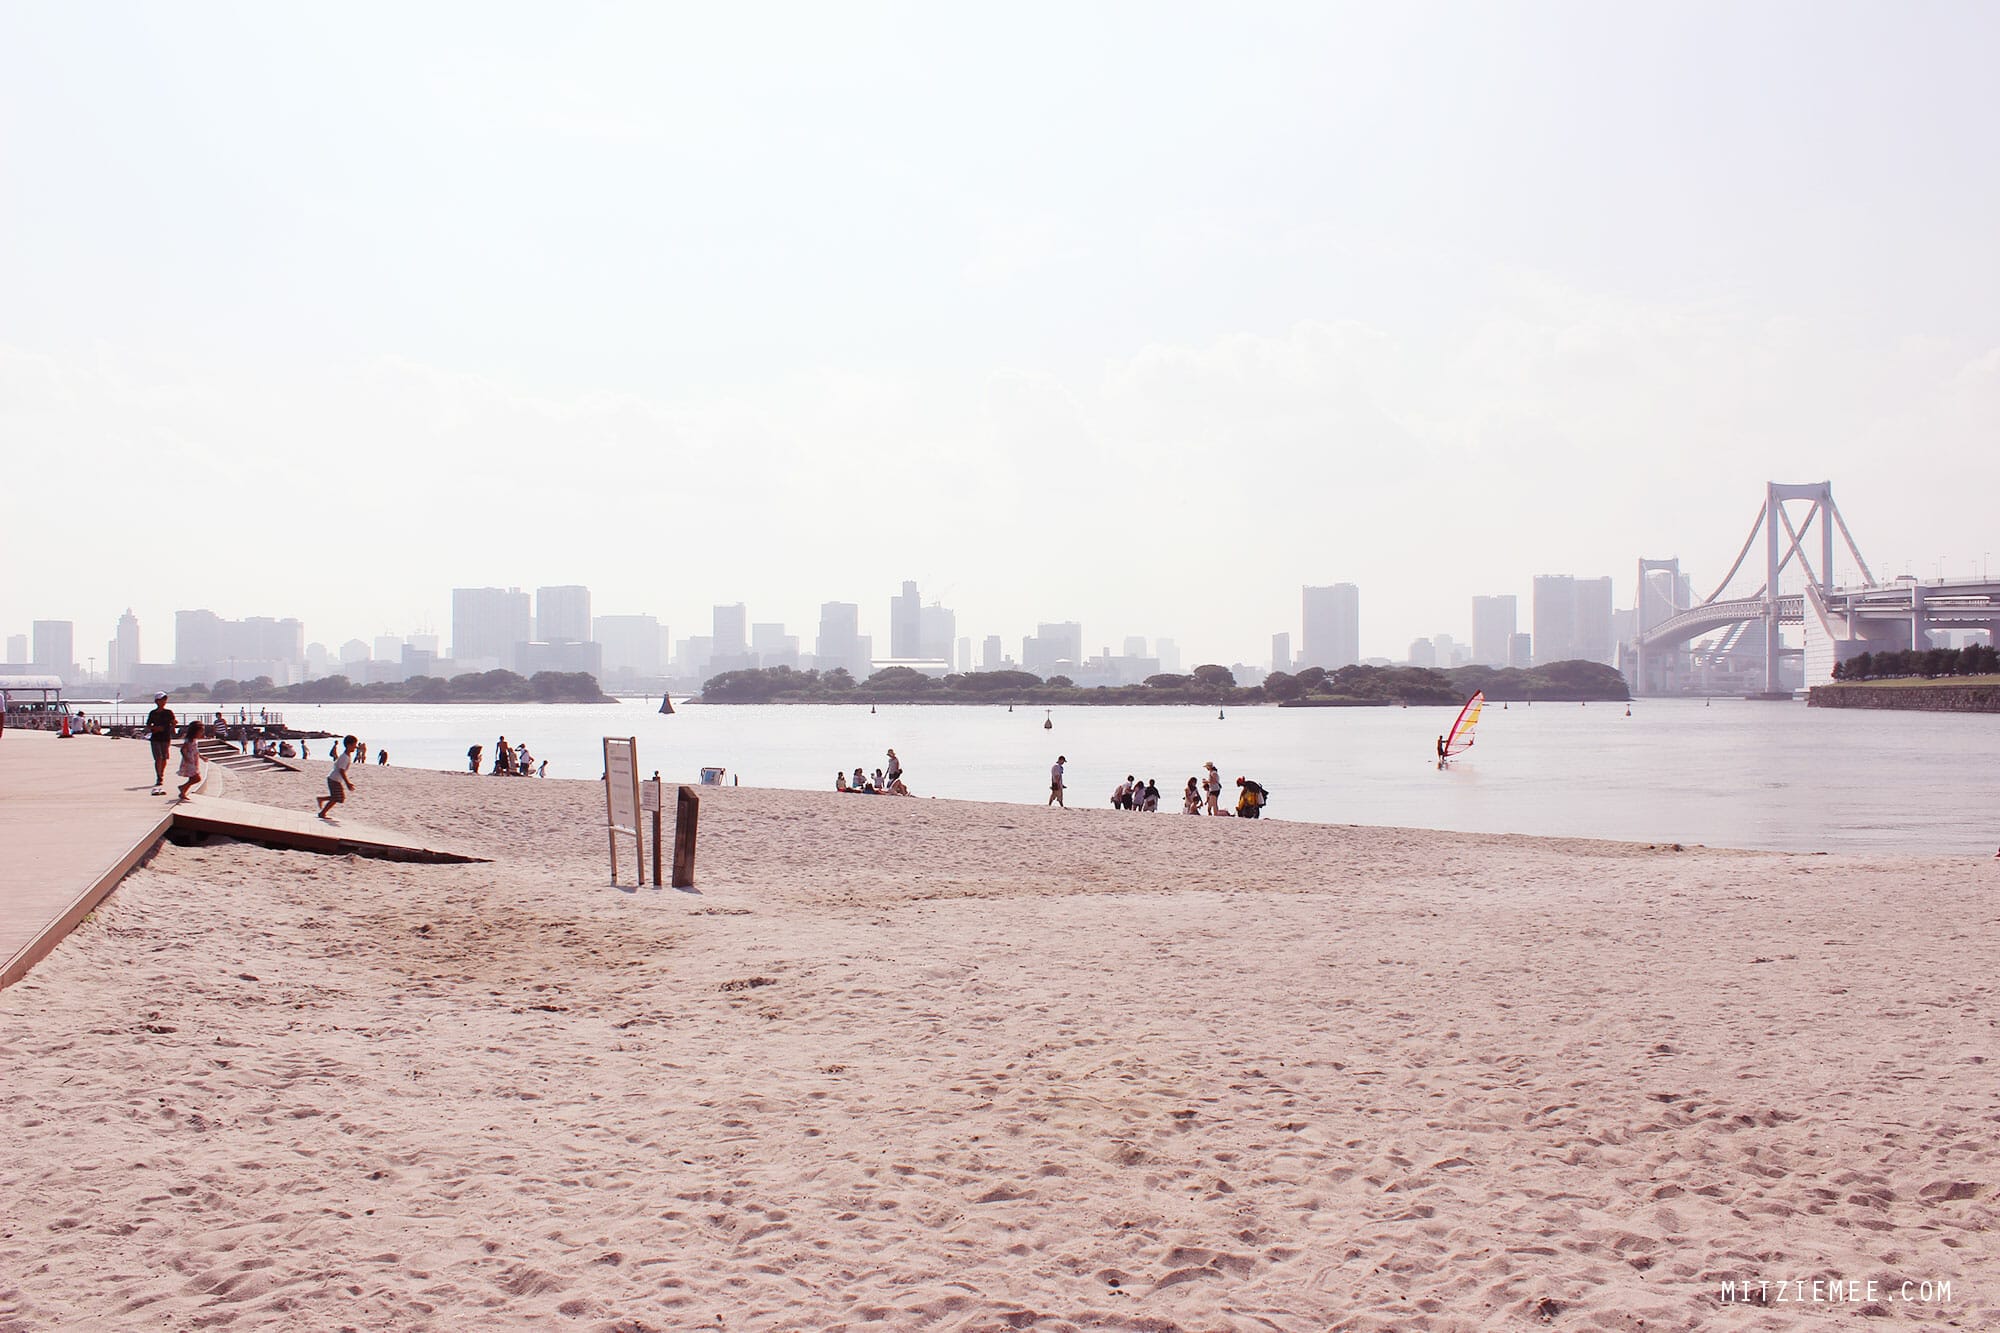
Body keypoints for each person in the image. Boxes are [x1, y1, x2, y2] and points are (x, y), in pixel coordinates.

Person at [317, 734, 359, 819]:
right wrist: (347, 783)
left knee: (338, 798)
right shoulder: (345, 757)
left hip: (334, 779)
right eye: (354, 745)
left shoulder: (346, 755)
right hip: (334, 779)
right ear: (348, 745)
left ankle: (321, 800)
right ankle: (322, 813)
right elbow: (341, 771)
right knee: (337, 798)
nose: (355, 747)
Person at [146, 692, 177, 795]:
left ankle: (161, 773)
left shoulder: (168, 712)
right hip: (155, 737)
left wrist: (171, 728)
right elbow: (148, 725)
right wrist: (155, 728)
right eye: (161, 699)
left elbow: (174, 722)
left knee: (164, 757)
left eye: (164, 699)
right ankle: (159, 776)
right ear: (157, 701)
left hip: (165, 737)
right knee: (158, 757)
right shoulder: (153, 713)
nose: (163, 701)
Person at [175, 720, 205, 801]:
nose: (202, 733)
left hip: (194, 761)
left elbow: (196, 751)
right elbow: (182, 749)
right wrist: (187, 758)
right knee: (197, 778)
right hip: (189, 761)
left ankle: (183, 792)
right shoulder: (189, 740)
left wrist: (202, 757)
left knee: (192, 778)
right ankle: (182, 787)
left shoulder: (194, 740)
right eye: (200, 731)